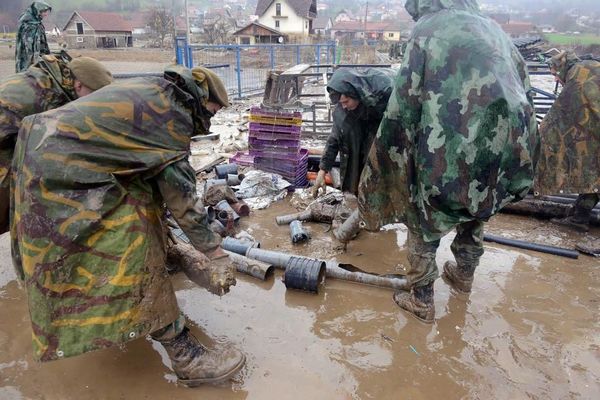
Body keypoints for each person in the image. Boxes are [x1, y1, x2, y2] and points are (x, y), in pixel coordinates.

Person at [10, 65, 245, 386]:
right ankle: (185, 356)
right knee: (129, 242)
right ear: (202, 100)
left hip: (45, 154)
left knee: (142, 216)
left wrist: (177, 249)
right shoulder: (169, 115)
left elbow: (147, 181)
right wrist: (215, 254)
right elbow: (182, 198)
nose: (213, 119)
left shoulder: (156, 95)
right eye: (214, 111)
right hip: (59, 171)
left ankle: (135, 309)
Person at [357, 0, 539, 323]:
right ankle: (464, 276)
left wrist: (389, 158)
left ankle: (422, 298)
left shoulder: (427, 30)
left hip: (446, 144)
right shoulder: (496, 32)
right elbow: (526, 94)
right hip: (497, 145)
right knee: (475, 207)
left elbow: (405, 100)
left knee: (423, 216)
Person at [0, 54, 113, 234]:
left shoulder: (52, 82)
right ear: (79, 85)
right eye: (94, 97)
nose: (93, 104)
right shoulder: (43, 96)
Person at [535, 51, 599, 241]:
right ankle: (579, 217)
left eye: (555, 74)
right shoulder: (588, 66)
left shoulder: (579, 75)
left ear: (561, 66)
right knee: (595, 168)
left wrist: (541, 133)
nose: (555, 78)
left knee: (592, 167)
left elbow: (559, 114)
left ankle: (579, 217)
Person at [312, 67, 394, 197]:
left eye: (346, 102)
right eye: (341, 103)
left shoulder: (386, 91)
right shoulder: (344, 109)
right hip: (363, 119)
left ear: (354, 93)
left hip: (383, 122)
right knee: (351, 142)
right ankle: (356, 193)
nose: (343, 106)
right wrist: (322, 171)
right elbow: (335, 138)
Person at [15, 1, 52, 72]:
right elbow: (28, 47)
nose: (46, 14)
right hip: (30, 60)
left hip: (41, 57)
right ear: (37, 10)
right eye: (44, 12)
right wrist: (35, 60)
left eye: (46, 12)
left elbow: (42, 42)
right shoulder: (27, 24)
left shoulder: (37, 22)